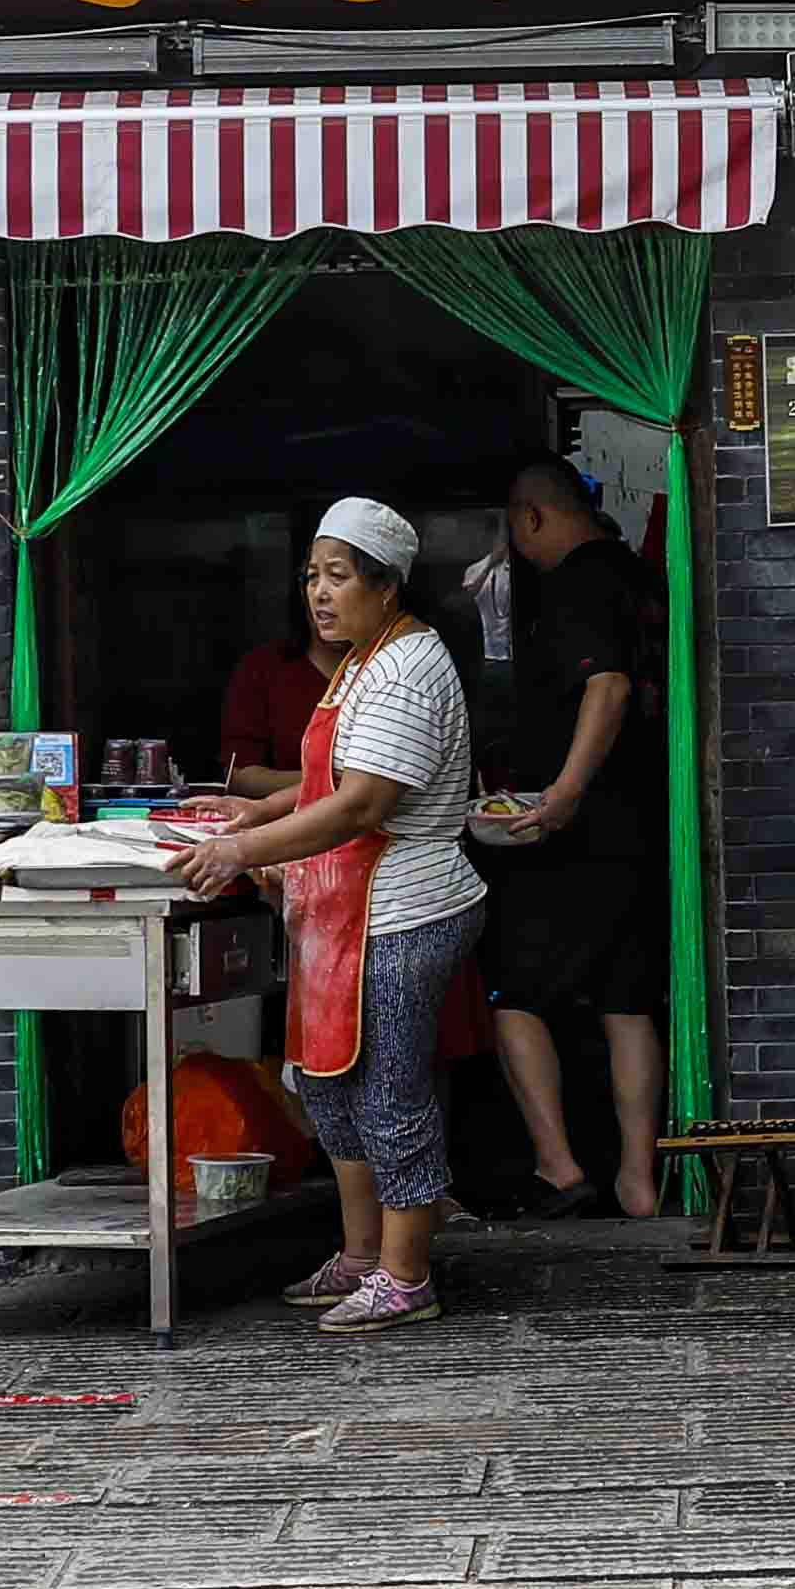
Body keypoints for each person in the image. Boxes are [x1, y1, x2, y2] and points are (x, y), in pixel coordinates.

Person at [170, 500, 484, 1333]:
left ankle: (406, 1274)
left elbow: (363, 804)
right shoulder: (360, 659)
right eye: (312, 575)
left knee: (389, 1092)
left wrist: (243, 850)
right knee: (330, 1085)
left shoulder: (407, 667)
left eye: (337, 576)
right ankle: (360, 1252)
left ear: (386, 586)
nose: (318, 592)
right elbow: (325, 784)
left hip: (402, 909)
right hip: (343, 913)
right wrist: (253, 813)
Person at [474, 454, 667, 1220]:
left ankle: (557, 1167)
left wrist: (561, 793)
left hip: (570, 836)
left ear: (532, 517)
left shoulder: (576, 583)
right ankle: (638, 1182)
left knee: (511, 991)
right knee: (627, 1002)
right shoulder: (640, 579)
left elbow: (607, 684)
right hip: (639, 829)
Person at [218, 588, 343, 802]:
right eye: (314, 577)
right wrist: (342, 782)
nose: (324, 596)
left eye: (339, 577)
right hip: (283, 817)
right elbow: (239, 776)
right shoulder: (264, 668)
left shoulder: (387, 671)